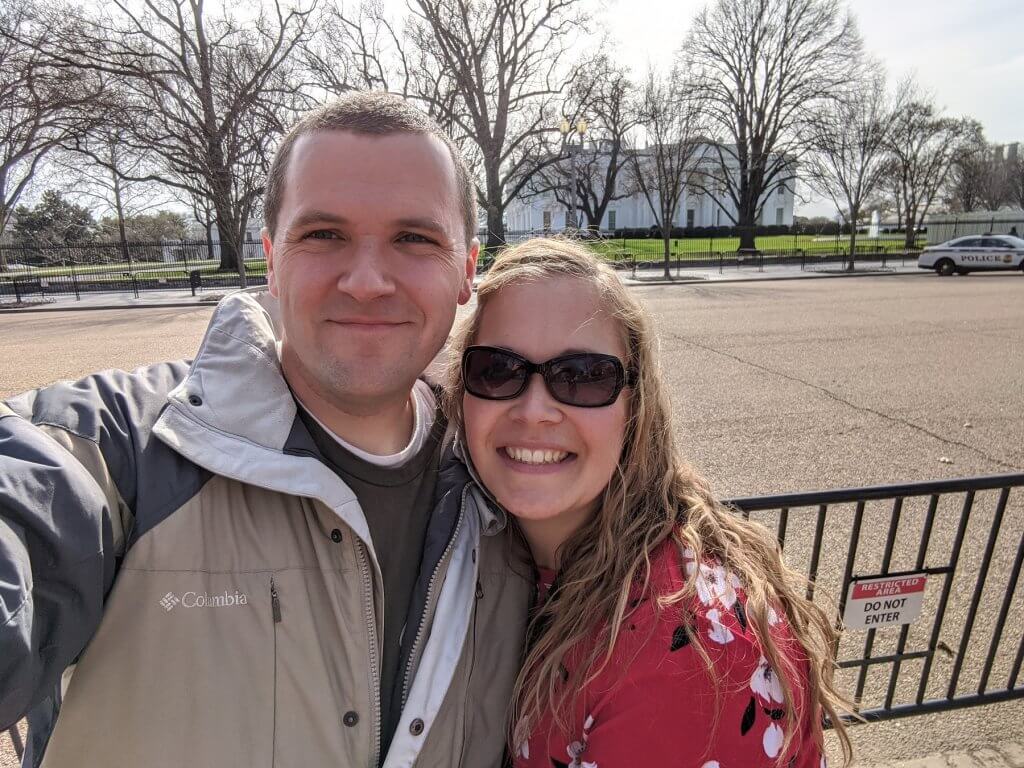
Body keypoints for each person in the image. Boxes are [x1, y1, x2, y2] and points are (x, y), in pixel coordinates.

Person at [0, 92, 532, 767]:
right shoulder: (122, 447)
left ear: (466, 270)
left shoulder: (508, 487)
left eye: (414, 238)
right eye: (324, 235)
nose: (367, 281)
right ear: (271, 260)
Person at [443, 238, 854, 767]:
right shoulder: (518, 562)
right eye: (497, 370)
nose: (535, 409)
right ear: (462, 391)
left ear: (635, 406)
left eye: (584, 376)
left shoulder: (687, 655)